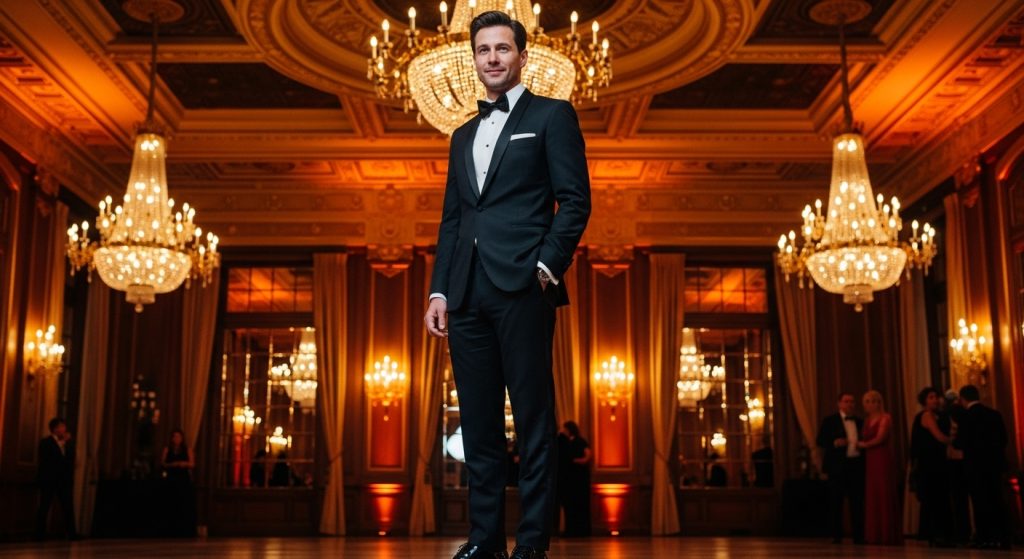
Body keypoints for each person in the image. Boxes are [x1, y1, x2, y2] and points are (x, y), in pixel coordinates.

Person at [423, 10, 591, 559]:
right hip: (465, 292)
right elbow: (453, 220)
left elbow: (575, 201)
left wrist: (545, 268)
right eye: (482, 50)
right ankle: (485, 540)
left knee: (534, 420)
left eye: (502, 48)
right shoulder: (461, 136)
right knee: (478, 424)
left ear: (522, 55)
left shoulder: (552, 115)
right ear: (473, 58)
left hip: (523, 284)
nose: (492, 58)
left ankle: (533, 544)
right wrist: (439, 292)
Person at [953, 384, 1010, 549]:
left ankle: (985, 538)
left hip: (975, 467)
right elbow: (1004, 439)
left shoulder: (966, 417)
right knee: (997, 499)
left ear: (963, 399)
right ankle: (1003, 537)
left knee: (980, 502)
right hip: (994, 465)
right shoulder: (994, 414)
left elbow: (960, 442)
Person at [816, 393, 865, 544]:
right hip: (837, 466)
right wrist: (835, 443)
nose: (850, 404)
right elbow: (820, 440)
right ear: (839, 404)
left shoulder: (860, 421)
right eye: (846, 401)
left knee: (857, 501)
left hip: (856, 465)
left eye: (852, 401)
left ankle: (859, 536)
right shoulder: (830, 421)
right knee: (836, 501)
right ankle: (836, 535)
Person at [910, 387, 952, 547]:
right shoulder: (926, 415)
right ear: (924, 401)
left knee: (940, 497)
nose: (935, 400)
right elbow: (939, 437)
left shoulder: (940, 415)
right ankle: (936, 535)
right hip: (929, 464)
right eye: (931, 397)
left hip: (938, 461)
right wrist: (954, 441)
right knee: (934, 497)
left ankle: (941, 534)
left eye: (936, 397)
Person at [858, 390, 901, 545]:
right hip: (870, 459)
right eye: (866, 401)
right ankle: (874, 533)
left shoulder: (885, 417)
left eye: (872, 401)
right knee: (873, 492)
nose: (869, 404)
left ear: (878, 402)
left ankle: (886, 533)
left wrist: (863, 445)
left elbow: (880, 438)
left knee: (883, 490)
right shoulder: (866, 420)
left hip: (881, 457)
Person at [35, 417, 77, 540]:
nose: (64, 429)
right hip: (49, 480)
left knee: (67, 506)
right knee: (44, 506)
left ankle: (72, 533)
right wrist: (62, 444)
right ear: (55, 429)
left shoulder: (67, 443)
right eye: (61, 426)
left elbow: (70, 460)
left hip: (63, 481)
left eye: (64, 426)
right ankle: (39, 534)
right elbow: (48, 461)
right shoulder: (46, 442)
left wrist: (67, 444)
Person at [161, 429, 196, 537]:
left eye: (178, 437)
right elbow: (163, 463)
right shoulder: (167, 449)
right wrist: (173, 464)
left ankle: (183, 529)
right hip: (171, 478)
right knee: (171, 503)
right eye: (175, 437)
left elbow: (192, 464)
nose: (176, 439)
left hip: (183, 479)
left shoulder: (187, 449)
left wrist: (183, 464)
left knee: (183, 503)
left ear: (182, 438)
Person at [559, 421, 591, 537]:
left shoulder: (580, 441)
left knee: (579, 504)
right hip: (568, 479)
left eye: (564, 428)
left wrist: (576, 461)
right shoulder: (564, 442)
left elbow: (588, 455)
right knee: (569, 505)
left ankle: (581, 530)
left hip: (579, 478)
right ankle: (570, 530)